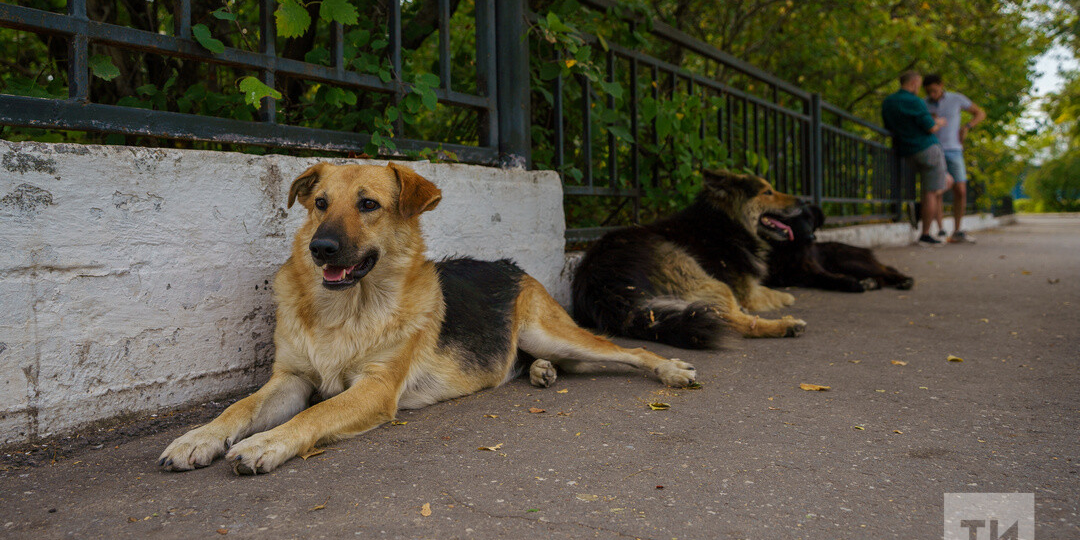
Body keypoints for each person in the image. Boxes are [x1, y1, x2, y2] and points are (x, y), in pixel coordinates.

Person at [881, 70, 949, 246]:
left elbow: (889, 126)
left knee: (944, 182)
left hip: (906, 151)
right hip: (928, 150)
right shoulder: (915, 101)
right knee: (931, 192)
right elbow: (930, 127)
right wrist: (939, 123)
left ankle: (920, 208)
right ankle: (925, 233)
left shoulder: (888, 102)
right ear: (913, 83)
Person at [923, 74, 986, 243]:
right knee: (937, 189)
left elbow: (980, 113)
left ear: (941, 85)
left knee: (960, 189)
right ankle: (941, 229)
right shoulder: (924, 104)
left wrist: (967, 126)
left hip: (954, 150)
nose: (933, 95)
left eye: (935, 91)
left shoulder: (956, 99)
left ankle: (958, 230)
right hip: (934, 149)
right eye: (929, 92)